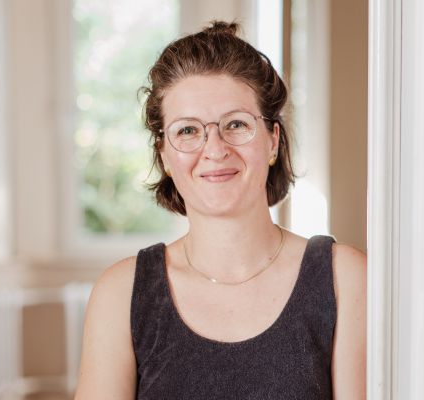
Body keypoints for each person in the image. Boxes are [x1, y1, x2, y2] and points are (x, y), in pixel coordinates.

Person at [74, 21, 366, 400]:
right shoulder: (120, 293)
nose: (215, 149)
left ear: (273, 140)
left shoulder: (345, 279)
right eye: (187, 130)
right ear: (164, 154)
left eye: (236, 124)